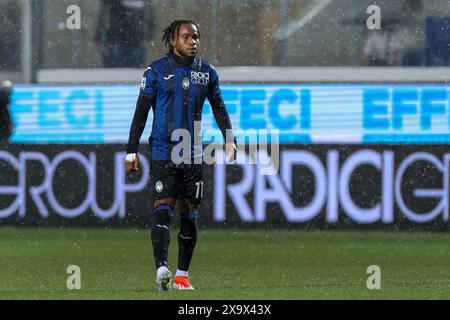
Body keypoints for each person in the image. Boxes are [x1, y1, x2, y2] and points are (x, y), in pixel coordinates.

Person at [125, 20, 236, 291]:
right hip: (163, 151)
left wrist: (230, 139)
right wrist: (131, 151)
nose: (192, 41)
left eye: (196, 37)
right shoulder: (155, 71)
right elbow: (141, 113)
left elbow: (219, 107)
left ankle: (182, 275)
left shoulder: (207, 72)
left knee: (190, 216)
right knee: (162, 211)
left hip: (193, 154)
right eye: (186, 37)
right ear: (173, 41)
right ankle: (161, 268)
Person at [95, 0, 156, 68]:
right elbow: (104, 15)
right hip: (115, 42)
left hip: (135, 43)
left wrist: (147, 37)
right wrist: (99, 37)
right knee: (113, 73)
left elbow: (149, 18)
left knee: (133, 73)